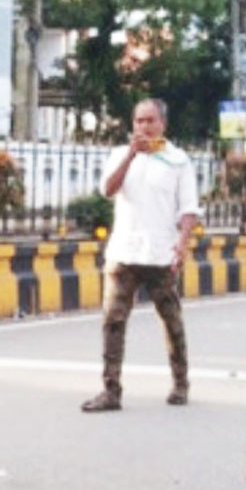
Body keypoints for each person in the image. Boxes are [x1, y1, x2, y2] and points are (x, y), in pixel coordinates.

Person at [80, 98, 200, 412]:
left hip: (161, 254)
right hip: (124, 252)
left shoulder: (178, 160)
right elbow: (108, 189)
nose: (143, 127)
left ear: (163, 124)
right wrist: (131, 156)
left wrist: (182, 244)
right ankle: (111, 390)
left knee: (171, 320)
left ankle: (180, 382)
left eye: (150, 120)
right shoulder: (120, 154)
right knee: (113, 322)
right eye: (138, 121)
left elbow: (188, 209)